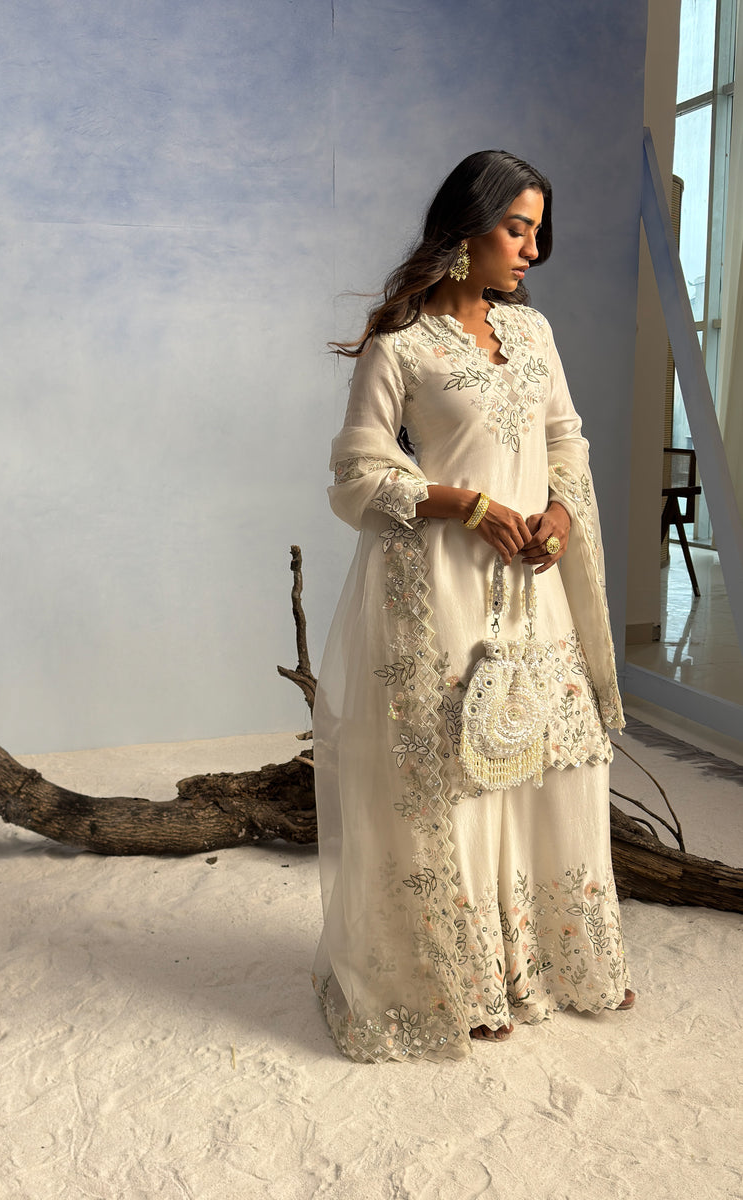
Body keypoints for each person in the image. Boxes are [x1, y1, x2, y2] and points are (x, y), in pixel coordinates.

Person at [311, 150, 634, 1062]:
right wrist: (469, 505)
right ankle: (460, 977)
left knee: (549, 759)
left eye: (538, 231)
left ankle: (553, 960)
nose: (533, 249)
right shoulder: (402, 344)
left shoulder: (532, 333)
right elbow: (356, 472)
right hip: (445, 585)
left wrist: (559, 518)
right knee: (457, 771)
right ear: (467, 231)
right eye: (517, 229)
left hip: (534, 584)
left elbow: (567, 441)